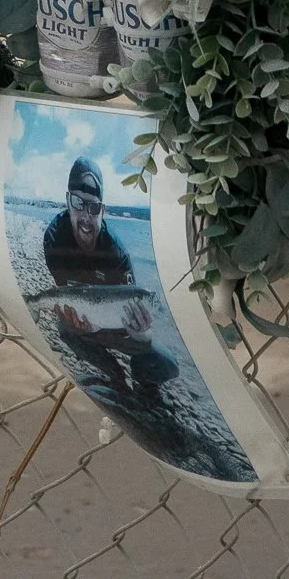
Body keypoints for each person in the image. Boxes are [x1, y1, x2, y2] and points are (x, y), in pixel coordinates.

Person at [42, 157, 179, 409]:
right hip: (86, 319)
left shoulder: (118, 254)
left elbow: (136, 320)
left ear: (102, 210)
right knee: (65, 328)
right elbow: (65, 293)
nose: (85, 216)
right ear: (67, 201)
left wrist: (143, 335)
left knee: (167, 363)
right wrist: (79, 321)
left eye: (93, 208)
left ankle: (143, 383)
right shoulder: (53, 238)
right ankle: (114, 374)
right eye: (78, 204)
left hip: (120, 329)